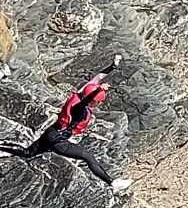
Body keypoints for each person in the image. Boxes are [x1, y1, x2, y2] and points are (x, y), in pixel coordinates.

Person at [0, 54, 132, 192]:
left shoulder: (81, 93)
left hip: (51, 132)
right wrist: (99, 90)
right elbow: (86, 102)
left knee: (28, 152)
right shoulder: (80, 108)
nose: (98, 103)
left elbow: (98, 77)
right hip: (58, 141)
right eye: (98, 101)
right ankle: (112, 182)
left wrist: (112, 67)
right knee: (87, 156)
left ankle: (1, 147)